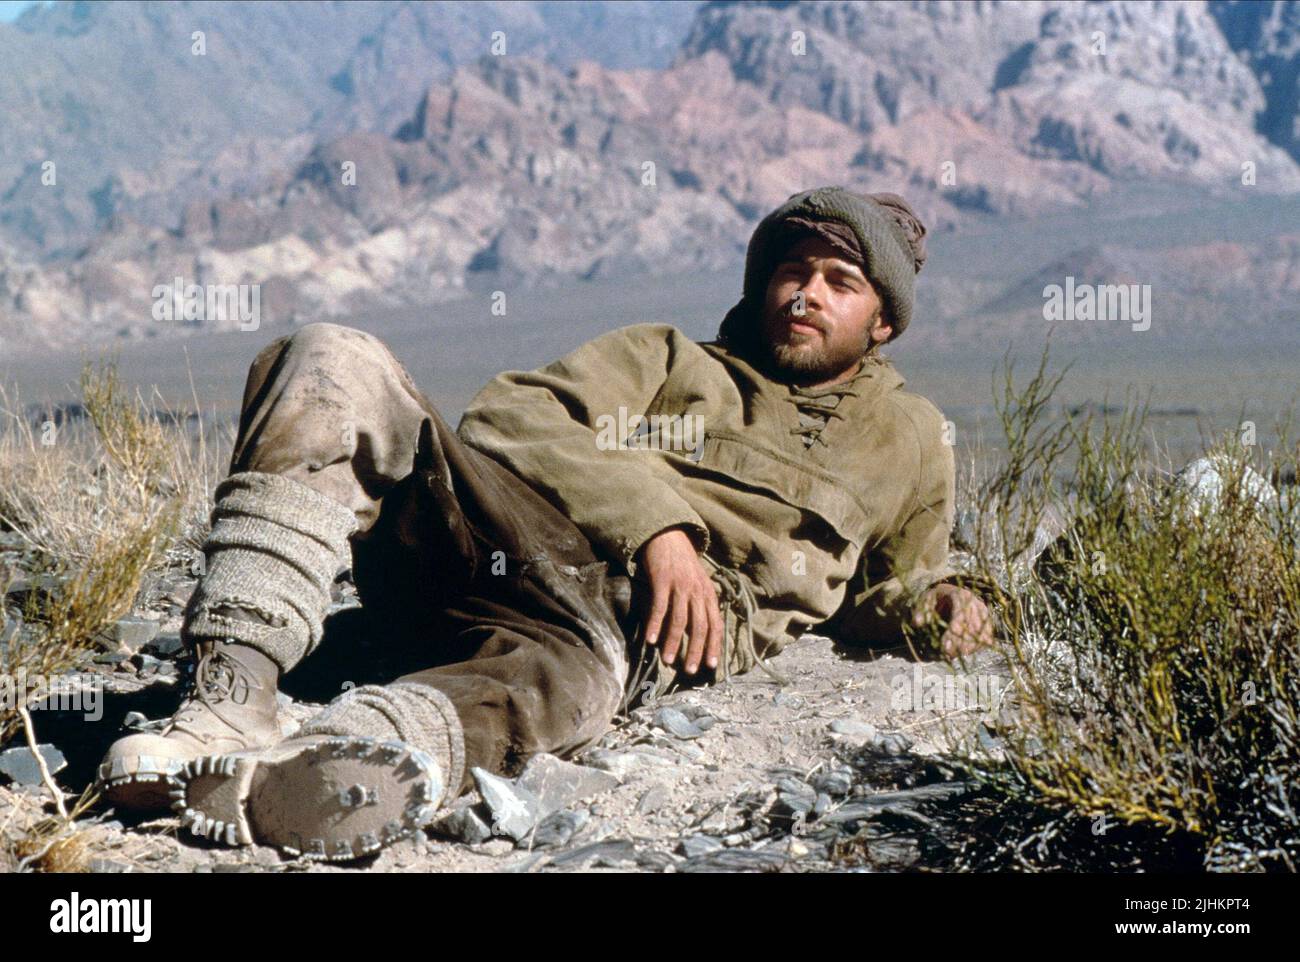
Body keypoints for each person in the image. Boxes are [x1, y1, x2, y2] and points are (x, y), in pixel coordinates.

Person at [95, 186, 994, 861]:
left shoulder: (911, 439)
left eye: (840, 282)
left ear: (882, 322)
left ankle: (336, 762)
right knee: (333, 356)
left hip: (625, 628)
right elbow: (512, 416)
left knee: (574, 680)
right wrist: (658, 527)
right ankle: (227, 704)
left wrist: (946, 605)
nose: (806, 294)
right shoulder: (669, 357)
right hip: (513, 534)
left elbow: (890, 585)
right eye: (792, 271)